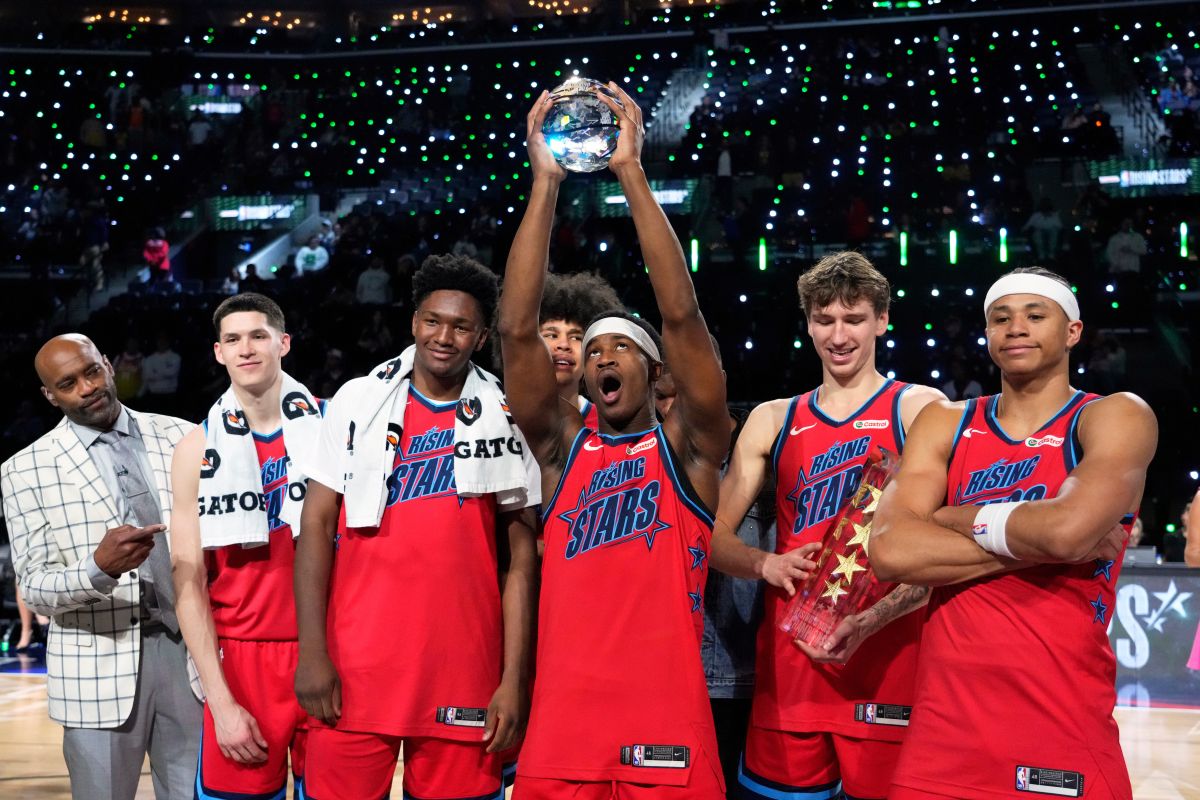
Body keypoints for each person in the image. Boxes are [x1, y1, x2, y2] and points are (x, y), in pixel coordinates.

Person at [500, 85, 730, 797]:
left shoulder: (691, 450)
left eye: (619, 349)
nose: (601, 358)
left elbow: (682, 313)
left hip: (665, 717)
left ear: (654, 371)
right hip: (565, 720)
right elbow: (514, 329)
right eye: (592, 349)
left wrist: (632, 173)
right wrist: (544, 182)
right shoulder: (562, 449)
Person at [871, 266, 1157, 799]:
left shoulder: (1114, 416)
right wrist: (1041, 541)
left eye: (1034, 315)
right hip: (942, 734)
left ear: (1073, 331)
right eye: (1000, 318)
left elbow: (1067, 532)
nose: (1015, 328)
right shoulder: (944, 419)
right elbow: (889, 550)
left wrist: (952, 515)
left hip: (1061, 723)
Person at [294, 254, 540, 800]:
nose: (444, 336)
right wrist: (312, 651)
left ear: (480, 339)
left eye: (461, 326)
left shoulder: (508, 411)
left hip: (464, 666)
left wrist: (513, 679)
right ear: (413, 322)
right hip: (355, 666)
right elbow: (314, 526)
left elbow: (521, 562)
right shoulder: (357, 400)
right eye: (433, 320)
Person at [710, 251, 944, 800]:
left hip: (887, 662)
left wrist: (874, 617)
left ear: (882, 320)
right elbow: (712, 538)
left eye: (854, 319)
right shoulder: (774, 417)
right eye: (824, 319)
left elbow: (942, 548)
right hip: (790, 669)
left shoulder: (920, 410)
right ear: (808, 323)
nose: (838, 335)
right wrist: (763, 562)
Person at [1, 334, 203, 799]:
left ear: (109, 366)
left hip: (190, 658)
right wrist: (97, 569)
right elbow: (33, 587)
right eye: (68, 383)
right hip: (97, 666)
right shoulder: (25, 469)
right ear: (51, 396)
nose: (87, 387)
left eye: (92, 371)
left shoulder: (182, 435)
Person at [171, 294, 323, 798]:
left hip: (329, 649)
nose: (246, 348)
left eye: (258, 335)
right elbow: (188, 580)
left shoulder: (333, 427)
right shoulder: (196, 448)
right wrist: (221, 702)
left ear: (283, 342)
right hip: (243, 660)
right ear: (218, 353)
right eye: (233, 339)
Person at [656, 352, 777, 799]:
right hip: (677, 675)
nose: (672, 410)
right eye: (663, 398)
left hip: (756, 672)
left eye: (682, 395)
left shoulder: (766, 450)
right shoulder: (649, 458)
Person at [538, 271, 623, 431]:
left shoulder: (611, 425)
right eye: (551, 335)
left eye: (576, 337)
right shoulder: (501, 413)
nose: (564, 344)